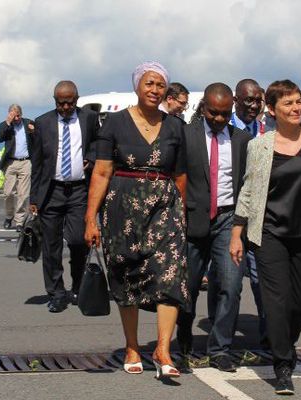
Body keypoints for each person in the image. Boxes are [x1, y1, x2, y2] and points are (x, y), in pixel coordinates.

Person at [230, 79, 301, 395]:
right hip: (269, 233)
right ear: (272, 110)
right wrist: (237, 232)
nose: (295, 108)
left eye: (298, 102)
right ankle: (282, 364)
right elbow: (248, 190)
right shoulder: (260, 145)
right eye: (288, 104)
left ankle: (285, 343)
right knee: (276, 302)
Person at [84, 62, 189, 379]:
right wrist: (90, 218)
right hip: (122, 208)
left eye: (160, 85)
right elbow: (102, 172)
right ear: (137, 86)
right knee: (127, 275)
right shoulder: (114, 123)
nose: (155, 90)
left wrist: (180, 212)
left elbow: (181, 175)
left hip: (165, 208)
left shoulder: (175, 127)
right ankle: (132, 347)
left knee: (171, 276)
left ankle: (163, 349)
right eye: (149, 83)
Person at [176, 83, 251, 372]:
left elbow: (246, 184)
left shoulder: (241, 140)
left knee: (230, 286)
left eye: (225, 114)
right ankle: (183, 344)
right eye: (213, 113)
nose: (219, 119)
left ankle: (220, 349)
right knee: (188, 288)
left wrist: (241, 226)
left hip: (228, 222)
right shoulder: (186, 135)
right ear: (203, 108)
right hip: (192, 221)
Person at [30, 81, 99, 313]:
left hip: (79, 190)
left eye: (70, 102)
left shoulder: (89, 118)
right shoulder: (43, 123)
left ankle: (78, 286)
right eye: (61, 103)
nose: (66, 107)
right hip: (52, 191)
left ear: (77, 99)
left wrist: (91, 155)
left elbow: (99, 142)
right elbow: (37, 162)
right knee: (51, 246)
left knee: (79, 241)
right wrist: (33, 198)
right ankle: (56, 293)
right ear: (55, 101)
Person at [230, 78, 267, 348]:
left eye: (258, 100)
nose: (254, 106)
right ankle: (224, 338)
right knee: (229, 281)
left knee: (262, 279)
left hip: (261, 215)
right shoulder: (224, 128)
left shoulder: (268, 129)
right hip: (229, 214)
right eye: (248, 100)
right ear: (236, 100)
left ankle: (269, 334)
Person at [0, 104, 34, 232]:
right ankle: (9, 216)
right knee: (8, 193)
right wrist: (8, 122)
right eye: (13, 115)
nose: (16, 118)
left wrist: (34, 131)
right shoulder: (5, 125)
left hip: (25, 162)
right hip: (11, 163)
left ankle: (19, 221)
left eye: (18, 115)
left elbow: (38, 138)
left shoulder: (28, 123)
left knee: (23, 194)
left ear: (21, 115)